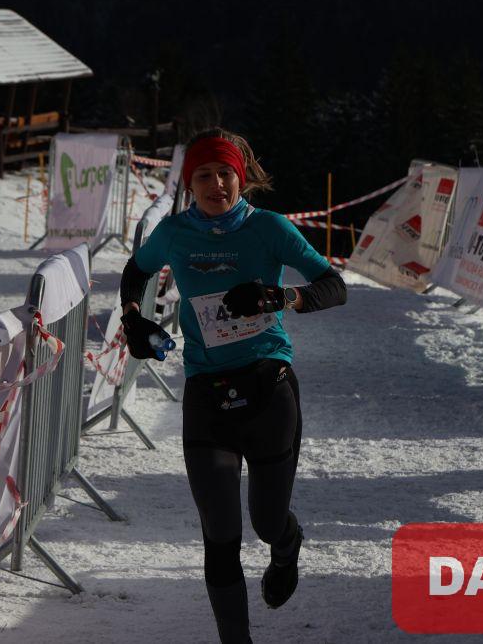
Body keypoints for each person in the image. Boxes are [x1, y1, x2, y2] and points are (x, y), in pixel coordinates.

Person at [119, 128, 347, 643]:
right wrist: (133, 318)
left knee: (266, 522)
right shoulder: (175, 233)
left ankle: (286, 546)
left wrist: (279, 297)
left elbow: (334, 286)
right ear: (189, 183)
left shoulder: (268, 228)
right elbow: (136, 271)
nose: (216, 184)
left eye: (225, 174)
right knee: (220, 534)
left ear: (240, 178)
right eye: (204, 175)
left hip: (269, 387)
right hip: (206, 393)